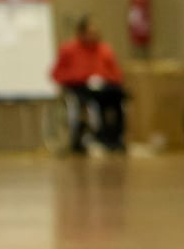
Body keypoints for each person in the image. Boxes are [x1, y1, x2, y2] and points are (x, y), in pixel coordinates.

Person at [51, 16, 127, 154]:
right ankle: (84, 137)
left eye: (95, 33)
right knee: (85, 102)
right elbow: (56, 74)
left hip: (103, 87)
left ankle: (113, 138)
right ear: (81, 34)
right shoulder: (69, 50)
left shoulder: (105, 50)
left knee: (118, 96)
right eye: (90, 33)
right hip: (79, 87)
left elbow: (117, 73)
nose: (93, 36)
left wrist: (104, 78)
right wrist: (81, 78)